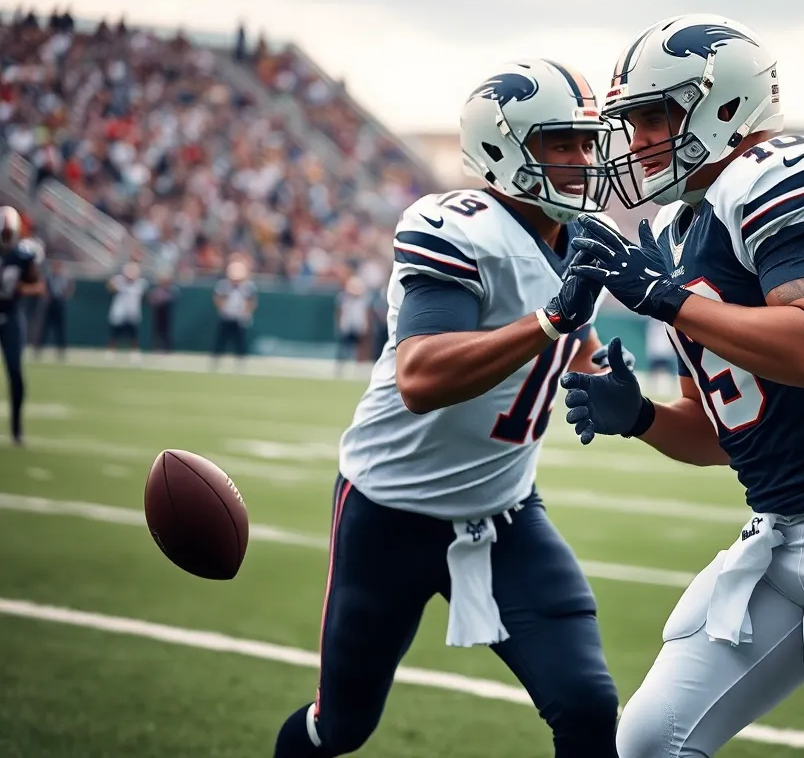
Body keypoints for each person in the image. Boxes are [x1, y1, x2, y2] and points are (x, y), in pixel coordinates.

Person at [561, 14, 804, 758]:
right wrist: (642, 416)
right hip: (780, 525)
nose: (641, 139)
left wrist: (669, 300)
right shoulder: (680, 229)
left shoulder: (784, 171)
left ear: (722, 103)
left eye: (657, 116)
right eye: (635, 121)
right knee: (650, 740)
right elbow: (720, 433)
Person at [274, 60, 621, 758]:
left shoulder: (575, 237)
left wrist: (602, 377)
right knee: (340, 727)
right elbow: (422, 376)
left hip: (505, 514)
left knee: (588, 704)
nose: (583, 160)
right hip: (389, 512)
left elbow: (569, 341)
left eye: (587, 143)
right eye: (562, 143)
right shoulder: (457, 225)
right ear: (506, 147)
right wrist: (552, 322)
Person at [0, 206, 44, 445]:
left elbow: (38, 286)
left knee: (15, 372)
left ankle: (16, 429)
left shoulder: (23, 255)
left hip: (11, 314)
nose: (7, 238)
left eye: (9, 233)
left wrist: (21, 288)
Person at [213, 260, 257, 366]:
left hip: (239, 318)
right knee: (221, 339)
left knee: (240, 341)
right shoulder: (223, 285)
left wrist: (246, 313)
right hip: (227, 316)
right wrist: (222, 309)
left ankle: (241, 361)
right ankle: (216, 360)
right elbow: (217, 298)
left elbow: (252, 301)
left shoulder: (248, 286)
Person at [106, 262, 147, 359]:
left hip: (132, 312)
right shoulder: (119, 281)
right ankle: (111, 352)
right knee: (115, 333)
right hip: (119, 311)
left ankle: (134, 353)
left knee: (133, 334)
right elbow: (110, 287)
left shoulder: (140, 283)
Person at [35, 259, 72, 361]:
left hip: (60, 304)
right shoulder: (48, 278)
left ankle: (61, 352)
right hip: (49, 305)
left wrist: (64, 296)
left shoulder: (65, 279)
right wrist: (47, 297)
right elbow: (43, 289)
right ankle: (38, 350)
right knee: (44, 329)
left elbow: (69, 289)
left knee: (60, 330)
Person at [334, 276, 371, 375]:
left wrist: (366, 325)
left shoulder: (363, 299)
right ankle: (340, 367)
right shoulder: (343, 297)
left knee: (360, 347)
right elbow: (339, 312)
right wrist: (340, 324)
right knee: (344, 347)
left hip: (358, 325)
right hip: (347, 325)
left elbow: (366, 313)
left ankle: (359, 367)